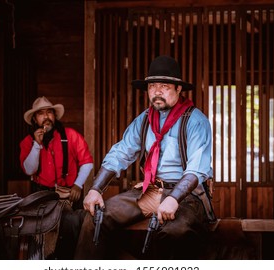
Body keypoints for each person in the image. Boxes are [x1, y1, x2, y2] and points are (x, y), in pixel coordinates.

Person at [74, 55, 214, 259]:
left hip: (187, 195)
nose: (157, 91)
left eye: (164, 86)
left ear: (178, 89)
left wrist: (174, 198)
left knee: (174, 232)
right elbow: (120, 154)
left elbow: (196, 169)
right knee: (97, 217)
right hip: (153, 190)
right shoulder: (144, 120)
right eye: (152, 86)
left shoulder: (195, 121)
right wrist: (96, 189)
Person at [20, 96, 94, 259]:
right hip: (41, 196)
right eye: (41, 114)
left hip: (69, 195)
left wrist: (78, 185)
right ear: (34, 119)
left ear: (55, 116)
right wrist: (37, 145)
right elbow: (28, 169)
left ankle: (65, 263)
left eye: (49, 113)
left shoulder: (71, 136)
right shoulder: (28, 142)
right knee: (36, 229)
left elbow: (87, 162)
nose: (46, 117)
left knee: (72, 223)